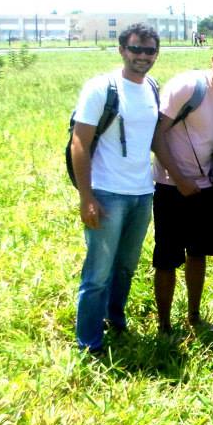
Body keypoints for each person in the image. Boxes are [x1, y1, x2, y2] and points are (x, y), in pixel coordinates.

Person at [70, 23, 161, 352]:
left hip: (142, 192)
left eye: (149, 50)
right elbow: (79, 143)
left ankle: (115, 319)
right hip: (107, 192)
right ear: (122, 50)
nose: (142, 56)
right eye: (135, 49)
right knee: (98, 272)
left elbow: (154, 139)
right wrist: (87, 197)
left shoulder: (152, 87)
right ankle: (89, 342)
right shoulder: (102, 87)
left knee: (126, 266)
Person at [151, 40, 213, 334]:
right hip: (171, 186)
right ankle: (164, 325)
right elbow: (157, 136)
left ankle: (194, 316)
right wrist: (179, 179)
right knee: (166, 257)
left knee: (198, 252)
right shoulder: (188, 86)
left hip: (207, 188)